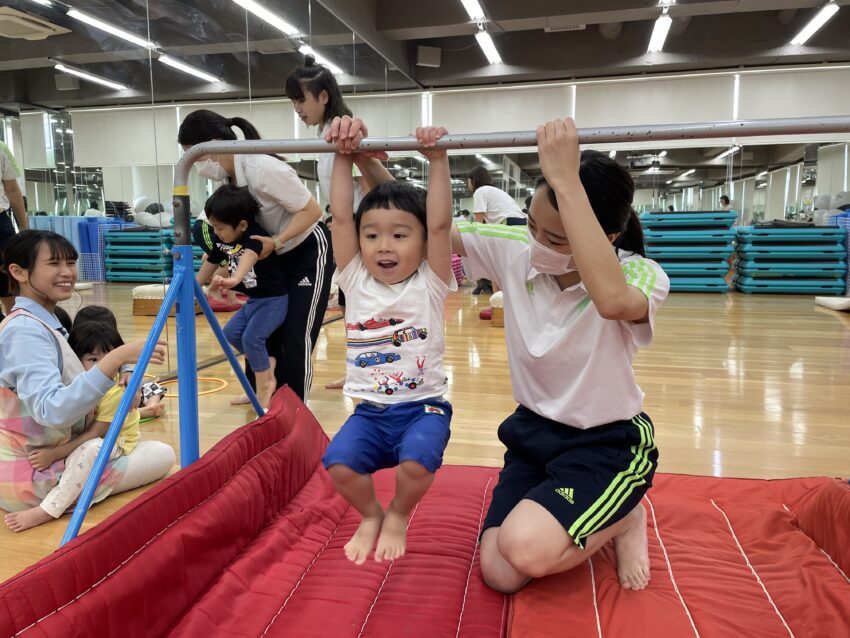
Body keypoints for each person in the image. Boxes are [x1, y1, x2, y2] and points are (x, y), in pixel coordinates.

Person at [451, 117, 669, 593]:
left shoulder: (640, 274)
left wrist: (568, 182)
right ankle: (585, 516)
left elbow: (612, 303)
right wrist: (367, 163)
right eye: (532, 226)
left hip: (604, 443)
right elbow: (416, 226)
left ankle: (627, 517)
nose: (536, 244)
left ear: (608, 236)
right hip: (532, 433)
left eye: (554, 238)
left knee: (527, 549)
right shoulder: (516, 249)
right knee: (501, 572)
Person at [322, 119, 456, 565]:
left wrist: (437, 160)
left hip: (424, 406)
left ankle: (398, 513)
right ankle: (370, 514)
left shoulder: (430, 282)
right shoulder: (354, 278)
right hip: (370, 412)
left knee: (416, 463)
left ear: (420, 242)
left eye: (400, 235)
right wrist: (343, 157)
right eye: (373, 234)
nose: (385, 246)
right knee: (338, 463)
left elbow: (440, 225)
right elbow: (341, 215)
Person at [0, 230, 174, 532]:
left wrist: (123, 364)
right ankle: (55, 503)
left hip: (34, 465)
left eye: (70, 262)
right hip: (34, 478)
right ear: (19, 272)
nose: (67, 272)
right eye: (53, 264)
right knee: (162, 455)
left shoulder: (42, 323)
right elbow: (52, 410)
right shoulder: (25, 331)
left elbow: (93, 359)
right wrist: (116, 360)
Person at [178, 109, 332, 402]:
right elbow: (234, 240)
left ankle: (293, 405)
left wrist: (276, 241)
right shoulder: (231, 180)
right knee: (259, 329)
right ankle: (260, 390)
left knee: (295, 333)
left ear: (212, 144)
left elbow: (312, 211)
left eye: (193, 155)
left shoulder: (263, 168)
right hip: (271, 253)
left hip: (306, 248)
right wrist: (219, 271)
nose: (195, 166)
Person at [286, 55, 394, 390]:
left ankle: (371, 367)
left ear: (323, 97)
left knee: (366, 304)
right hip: (348, 230)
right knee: (353, 305)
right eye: (293, 102)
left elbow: (372, 183)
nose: (297, 109)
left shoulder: (341, 130)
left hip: (363, 233)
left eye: (301, 100)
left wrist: (357, 226)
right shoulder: (323, 137)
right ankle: (360, 366)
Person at [12, 322, 153, 531]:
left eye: (109, 358)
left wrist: (54, 453)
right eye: (93, 360)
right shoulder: (73, 381)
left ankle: (49, 509)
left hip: (115, 440)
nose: (103, 366)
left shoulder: (116, 390)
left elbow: (96, 433)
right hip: (88, 432)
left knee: (90, 449)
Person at [196, 185, 289, 409]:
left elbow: (250, 256)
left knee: (252, 339)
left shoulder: (255, 235)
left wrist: (234, 278)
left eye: (220, 228)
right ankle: (265, 369)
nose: (216, 233)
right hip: (255, 301)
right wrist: (194, 285)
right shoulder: (224, 239)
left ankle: (265, 386)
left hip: (273, 300)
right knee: (230, 333)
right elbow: (211, 260)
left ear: (242, 225)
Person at [72, 305, 167, 420]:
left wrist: (129, 378)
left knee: (150, 386)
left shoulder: (114, 347)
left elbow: (122, 362)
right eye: (94, 359)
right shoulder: (75, 356)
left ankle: (151, 406)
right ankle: (139, 413)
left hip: (119, 389)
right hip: (102, 407)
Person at [1, 140, 29, 318]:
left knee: (7, 278)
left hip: (0, 223)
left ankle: (13, 322)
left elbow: (12, 188)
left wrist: (24, 225)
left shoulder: (1, 147)